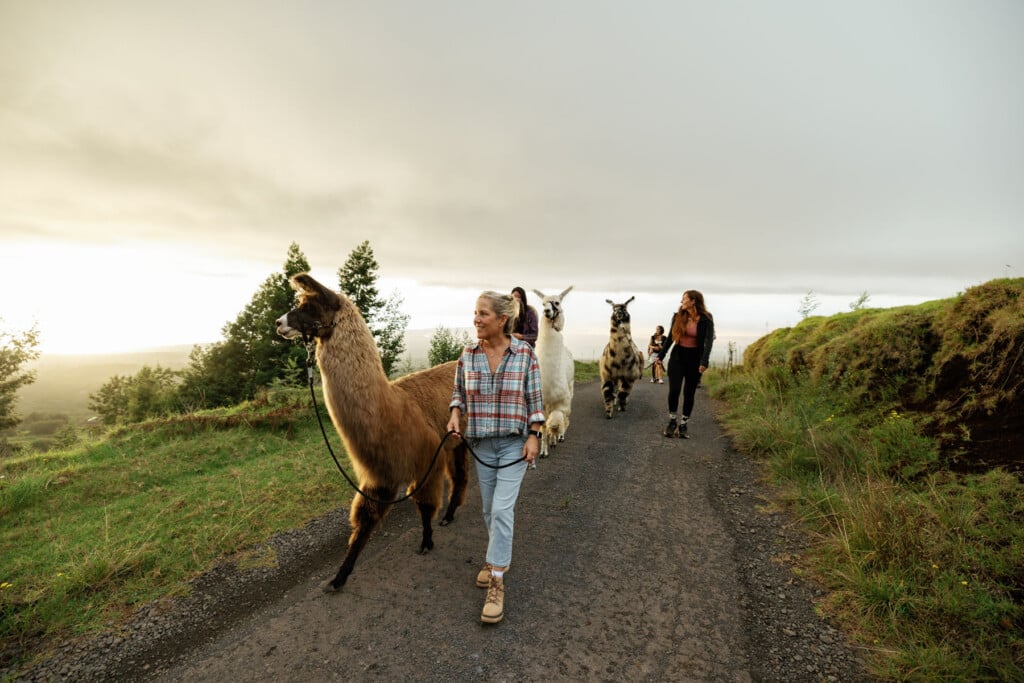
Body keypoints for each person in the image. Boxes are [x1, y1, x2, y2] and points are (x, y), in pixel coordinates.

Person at [447, 291, 544, 624]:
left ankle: (497, 581)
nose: (476, 319)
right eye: (475, 312)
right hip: (482, 445)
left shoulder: (524, 354)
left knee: (502, 509)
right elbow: (458, 393)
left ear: (502, 319)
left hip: (514, 445)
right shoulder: (468, 354)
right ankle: (495, 559)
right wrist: (455, 414)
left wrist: (534, 435)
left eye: (483, 313)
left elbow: (535, 400)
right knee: (489, 510)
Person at [658, 290, 714, 439]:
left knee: (689, 393)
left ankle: (683, 424)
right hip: (678, 357)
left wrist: (704, 361)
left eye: (684, 299)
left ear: (693, 301)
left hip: (695, 359)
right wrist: (661, 356)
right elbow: (670, 338)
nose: (681, 302)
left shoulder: (706, 318)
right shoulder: (677, 316)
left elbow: (708, 342)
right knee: (674, 390)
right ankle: (672, 421)